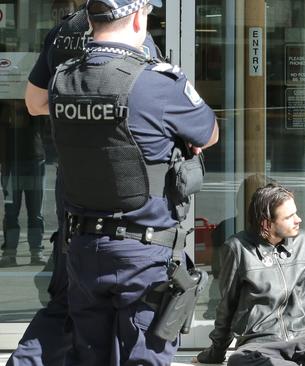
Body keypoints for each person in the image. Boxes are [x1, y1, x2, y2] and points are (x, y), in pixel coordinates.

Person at [47, 0, 219, 363]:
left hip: (82, 249)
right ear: (140, 16)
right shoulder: (159, 82)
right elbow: (209, 132)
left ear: (89, 20)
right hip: (143, 252)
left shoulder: (63, 78)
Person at [9, 2, 166, 364]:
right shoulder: (132, 33)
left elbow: (34, 103)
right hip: (131, 186)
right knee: (129, 297)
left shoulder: (66, 30)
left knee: (76, 290)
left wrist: (79, 105)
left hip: (77, 181)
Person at [193, 183, 305, 366]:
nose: (298, 219)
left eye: (296, 212)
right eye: (289, 217)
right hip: (260, 343)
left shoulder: (303, 242)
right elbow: (227, 307)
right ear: (266, 223)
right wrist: (216, 353)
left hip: (304, 337)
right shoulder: (237, 248)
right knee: (240, 361)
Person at [0, 102, 46, 267]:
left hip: (34, 159)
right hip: (12, 162)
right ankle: (10, 252)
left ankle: (36, 251)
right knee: (12, 211)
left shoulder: (33, 103)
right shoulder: (6, 105)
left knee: (35, 211)